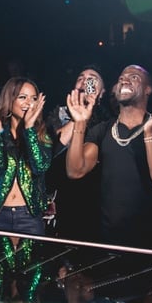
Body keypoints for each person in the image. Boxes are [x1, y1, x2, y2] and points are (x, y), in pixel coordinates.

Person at [65, 64, 152, 249]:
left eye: (134, 77)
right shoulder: (102, 130)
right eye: (121, 78)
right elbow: (75, 171)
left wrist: (149, 133)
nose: (124, 80)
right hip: (108, 245)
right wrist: (80, 123)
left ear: (148, 89)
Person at [44, 65, 112, 240]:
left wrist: (91, 107)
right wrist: (79, 117)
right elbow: (53, 149)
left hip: (93, 201)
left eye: (92, 79)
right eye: (81, 78)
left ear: (103, 92)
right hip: (62, 198)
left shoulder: (108, 120)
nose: (86, 81)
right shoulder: (58, 114)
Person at [0, 77, 52, 236]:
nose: (29, 103)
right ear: (10, 100)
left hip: (29, 216)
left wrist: (29, 129)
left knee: (31, 261)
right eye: (22, 97)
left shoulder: (41, 134)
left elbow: (39, 166)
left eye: (34, 98)